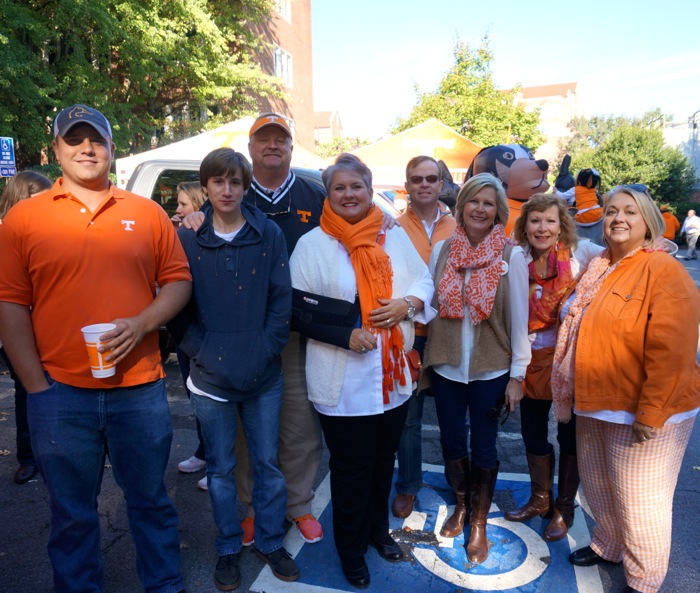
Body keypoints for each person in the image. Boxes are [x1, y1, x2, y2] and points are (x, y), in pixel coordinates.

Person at [0, 104, 192, 593]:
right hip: (59, 394)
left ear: (110, 149)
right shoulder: (23, 219)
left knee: (150, 502)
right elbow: (10, 305)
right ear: (56, 150)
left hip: (140, 389)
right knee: (71, 514)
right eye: (74, 139)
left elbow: (177, 281)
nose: (86, 148)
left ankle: (164, 586)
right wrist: (36, 388)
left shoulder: (146, 213)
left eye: (97, 140)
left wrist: (143, 321)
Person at [290, 154, 434, 588]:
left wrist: (406, 304)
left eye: (357, 186)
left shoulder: (392, 237)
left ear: (370, 191)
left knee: (382, 462)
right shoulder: (312, 244)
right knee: (351, 471)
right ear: (327, 194)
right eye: (340, 188)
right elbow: (297, 311)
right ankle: (351, 551)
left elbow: (423, 281)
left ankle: (376, 533)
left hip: (390, 380)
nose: (349, 194)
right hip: (342, 382)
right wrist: (343, 335)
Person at [183, 112, 327, 545]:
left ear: (289, 146)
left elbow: (354, 225)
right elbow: (199, 236)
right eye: (263, 139)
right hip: (239, 335)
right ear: (250, 148)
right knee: (246, 433)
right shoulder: (227, 195)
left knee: (299, 424)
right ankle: (250, 506)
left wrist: (387, 220)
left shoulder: (315, 194)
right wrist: (193, 218)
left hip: (298, 331)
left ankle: (298, 504)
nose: (272, 145)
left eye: (279, 138)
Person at [553, 186, 699, 593]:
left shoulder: (662, 269)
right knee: (599, 487)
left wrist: (652, 414)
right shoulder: (600, 264)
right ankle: (608, 545)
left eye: (630, 212)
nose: (618, 218)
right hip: (594, 401)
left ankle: (643, 581)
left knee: (641, 506)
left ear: (648, 222)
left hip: (643, 409)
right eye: (612, 210)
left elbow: (672, 350)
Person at [169, 147, 299, 589]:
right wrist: (202, 351)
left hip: (263, 375)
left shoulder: (268, 235)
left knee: (267, 464)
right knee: (221, 470)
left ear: (246, 187)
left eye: (235, 182)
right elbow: (176, 309)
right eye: (218, 181)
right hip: (209, 379)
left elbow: (282, 300)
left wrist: (266, 349)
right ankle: (227, 546)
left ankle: (268, 539)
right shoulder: (187, 237)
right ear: (205, 186)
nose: (227, 190)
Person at [422, 172, 530, 564]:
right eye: (473, 201)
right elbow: (429, 303)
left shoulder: (510, 256)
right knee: (451, 442)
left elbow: (520, 319)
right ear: (461, 206)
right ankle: (463, 506)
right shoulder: (442, 251)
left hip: (491, 367)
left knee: (484, 445)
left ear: (498, 211)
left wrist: (518, 374)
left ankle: (479, 522)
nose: (480, 209)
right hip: (448, 365)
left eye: (488, 203)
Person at [505, 193, 602, 541]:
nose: (542, 228)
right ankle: (539, 499)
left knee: (568, 435)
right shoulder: (518, 258)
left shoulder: (583, 254)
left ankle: (564, 507)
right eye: (535, 221)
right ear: (525, 225)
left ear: (561, 225)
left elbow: (629, 255)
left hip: (568, 362)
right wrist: (516, 374)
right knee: (532, 432)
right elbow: (516, 319)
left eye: (550, 220)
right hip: (531, 361)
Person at [391, 155, 456, 519]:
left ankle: (457, 481)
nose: (425, 185)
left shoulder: (460, 224)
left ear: (441, 184)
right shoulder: (393, 227)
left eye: (431, 178)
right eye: (417, 179)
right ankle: (408, 486)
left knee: (451, 415)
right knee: (409, 417)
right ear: (408, 185)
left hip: (449, 332)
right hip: (411, 332)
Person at [0, 171, 52, 485]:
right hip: (15, 330)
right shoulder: (6, 234)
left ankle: (52, 455)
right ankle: (29, 457)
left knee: (48, 390)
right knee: (28, 391)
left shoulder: (47, 232)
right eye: (38, 202)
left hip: (46, 327)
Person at [170, 180, 209, 488]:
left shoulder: (209, 238)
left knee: (215, 403)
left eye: (183, 204)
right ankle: (204, 451)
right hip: (186, 336)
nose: (177, 209)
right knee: (195, 397)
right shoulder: (179, 237)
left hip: (209, 338)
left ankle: (221, 461)